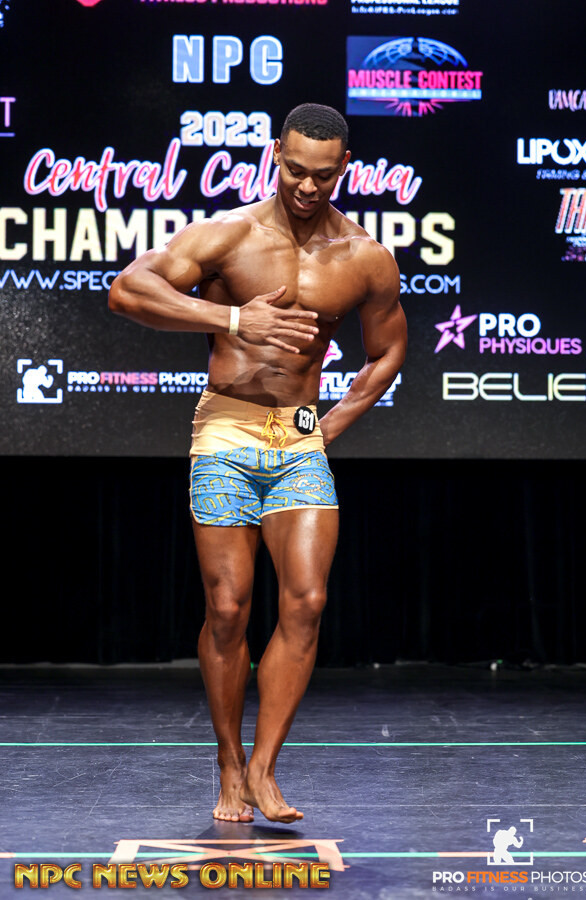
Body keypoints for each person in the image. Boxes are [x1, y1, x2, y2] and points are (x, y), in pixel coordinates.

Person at [108, 103, 407, 825]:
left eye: (323, 175)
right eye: (295, 169)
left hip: (298, 440)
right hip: (225, 433)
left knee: (306, 602)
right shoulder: (229, 234)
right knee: (228, 607)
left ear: (345, 168)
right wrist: (236, 318)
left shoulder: (365, 256)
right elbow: (126, 291)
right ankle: (228, 761)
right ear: (276, 153)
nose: (307, 186)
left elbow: (388, 350)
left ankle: (265, 768)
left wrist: (329, 427)